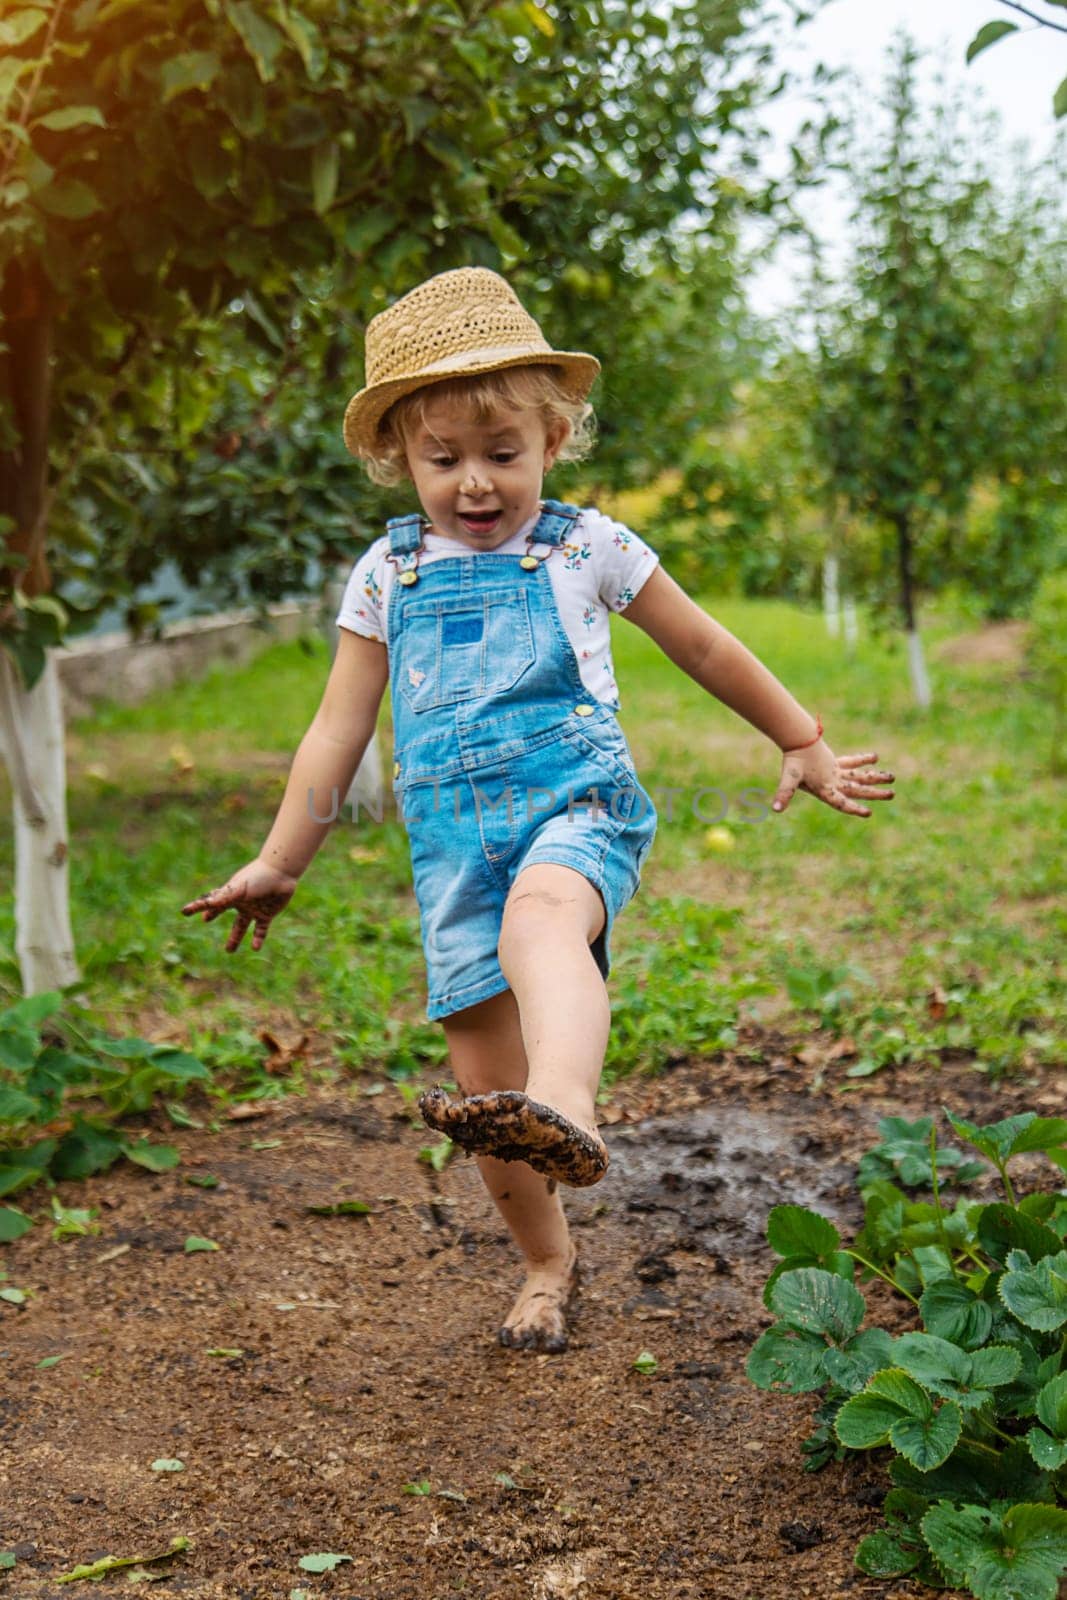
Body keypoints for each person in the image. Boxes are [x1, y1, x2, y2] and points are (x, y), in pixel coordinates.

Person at [182, 267, 894, 1353]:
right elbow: (337, 729)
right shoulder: (387, 573)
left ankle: (566, 1098)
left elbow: (699, 641)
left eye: (501, 453)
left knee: (542, 924)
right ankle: (545, 1261)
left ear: (552, 439)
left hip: (577, 804)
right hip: (452, 850)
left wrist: (797, 734)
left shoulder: (585, 547)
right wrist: (283, 859)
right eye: (442, 459)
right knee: (478, 1084)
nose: (474, 482)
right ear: (397, 457)